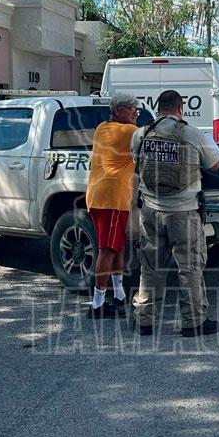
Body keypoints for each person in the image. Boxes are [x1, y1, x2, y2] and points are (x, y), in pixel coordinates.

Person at [131, 90, 219, 337]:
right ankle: (194, 322)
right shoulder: (192, 134)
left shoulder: (141, 134)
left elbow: (136, 164)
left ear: (158, 108)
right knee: (190, 267)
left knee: (150, 266)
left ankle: (144, 321)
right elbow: (214, 165)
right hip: (183, 213)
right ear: (180, 109)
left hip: (150, 211)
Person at [86, 93, 140, 317]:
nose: (136, 113)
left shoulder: (101, 127)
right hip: (112, 198)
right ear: (118, 110)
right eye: (131, 109)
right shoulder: (129, 132)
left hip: (100, 196)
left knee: (118, 246)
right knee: (107, 249)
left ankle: (119, 295)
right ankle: (97, 304)